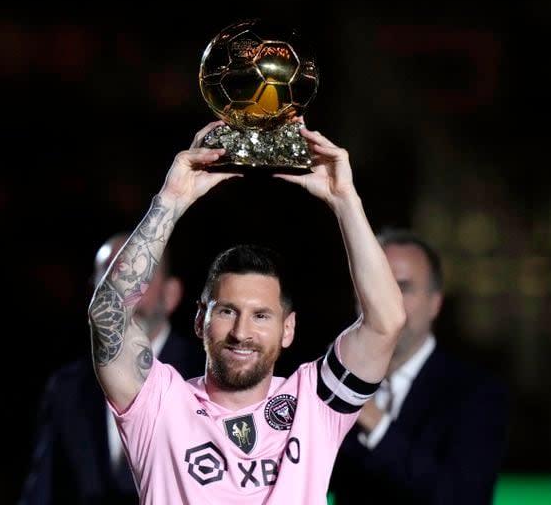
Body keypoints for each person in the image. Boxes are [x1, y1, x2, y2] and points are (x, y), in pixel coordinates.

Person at [86, 120, 406, 504]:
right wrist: (170, 201)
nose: (241, 331)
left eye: (261, 316)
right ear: (199, 317)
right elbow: (108, 316)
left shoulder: (314, 401)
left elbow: (386, 322)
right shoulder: (160, 404)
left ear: (288, 329)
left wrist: (345, 200)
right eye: (226, 311)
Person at [19, 232, 205, 504]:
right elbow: (41, 494)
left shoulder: (203, 379)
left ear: (171, 293)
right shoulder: (67, 388)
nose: (121, 291)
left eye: (138, 276)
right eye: (108, 278)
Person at [329, 228, 508, 505]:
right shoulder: (330, 380)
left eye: (403, 287)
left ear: (435, 303)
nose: (387, 299)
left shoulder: (476, 392)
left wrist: (374, 422)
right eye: (375, 283)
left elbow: (464, 497)